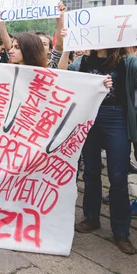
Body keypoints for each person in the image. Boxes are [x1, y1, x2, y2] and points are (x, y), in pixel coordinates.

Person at [68, 48, 137, 255]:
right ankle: (91, 218)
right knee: (90, 171)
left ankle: (121, 232)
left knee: (118, 176)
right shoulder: (81, 62)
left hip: (116, 117)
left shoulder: (127, 62)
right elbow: (62, 74)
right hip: (89, 117)